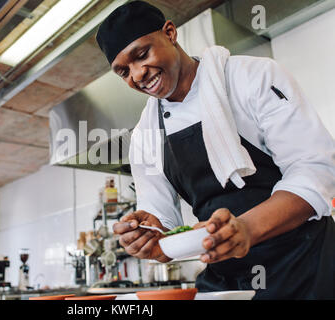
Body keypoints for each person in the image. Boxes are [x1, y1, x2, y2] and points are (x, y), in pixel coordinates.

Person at [96, 1, 335, 299]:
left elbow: (314, 171)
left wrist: (246, 229)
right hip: (226, 278)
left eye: (142, 54)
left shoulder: (252, 78)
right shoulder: (145, 134)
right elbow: (162, 220)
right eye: (123, 71)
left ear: (170, 33)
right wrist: (150, 236)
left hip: (303, 265)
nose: (137, 74)